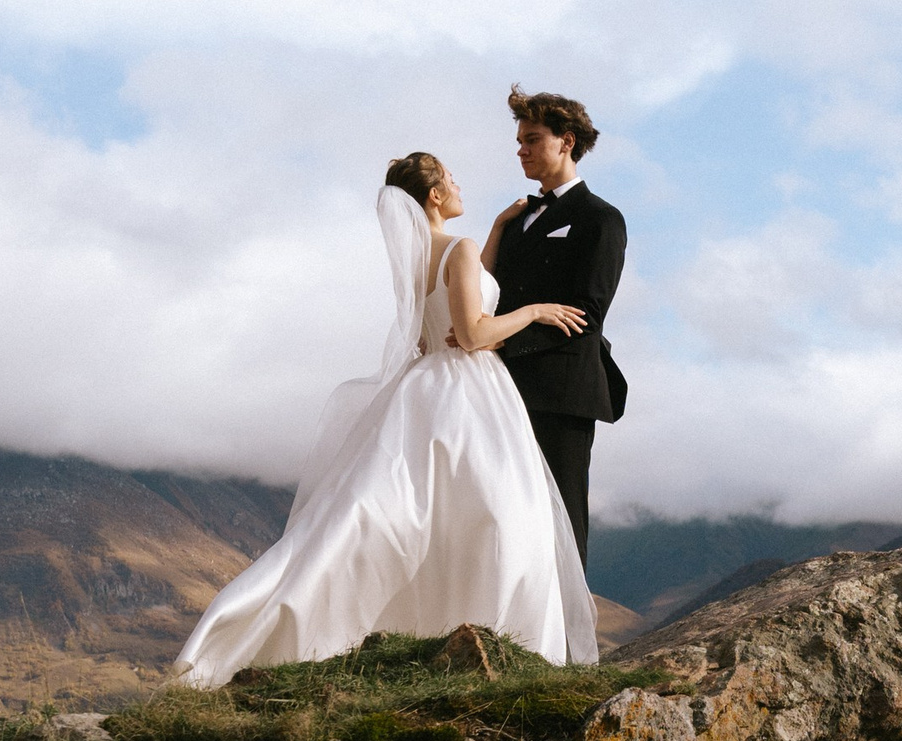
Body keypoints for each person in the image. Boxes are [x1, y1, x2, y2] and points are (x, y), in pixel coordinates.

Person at [173, 153, 597, 684]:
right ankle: (504, 638)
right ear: (436, 195)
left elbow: (461, 292)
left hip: (424, 387)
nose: (460, 185)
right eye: (452, 179)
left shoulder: (421, 259)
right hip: (469, 390)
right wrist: (535, 311)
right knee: (498, 515)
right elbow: (472, 334)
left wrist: (494, 230)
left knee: (427, 517)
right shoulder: (457, 250)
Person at [482, 86, 626, 558]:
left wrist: (502, 343)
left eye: (533, 138)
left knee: (561, 516)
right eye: (519, 139)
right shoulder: (518, 219)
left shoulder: (601, 218)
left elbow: (589, 311)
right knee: (505, 513)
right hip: (502, 388)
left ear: (566, 141)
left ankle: (568, 632)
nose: (520, 149)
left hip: (563, 391)